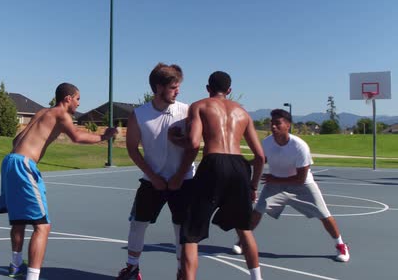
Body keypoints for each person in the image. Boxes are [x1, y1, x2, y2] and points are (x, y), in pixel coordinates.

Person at [0, 82, 118, 280]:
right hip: (23, 165)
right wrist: (105, 135)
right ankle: (32, 277)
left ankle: (15, 264)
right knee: (42, 226)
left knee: (19, 220)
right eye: (78, 99)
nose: (79, 104)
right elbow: (77, 136)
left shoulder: (42, 112)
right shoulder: (61, 114)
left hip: (9, 162)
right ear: (68, 98)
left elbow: (15, 140)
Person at [177, 71, 265, 280]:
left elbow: (193, 143)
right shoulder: (243, 113)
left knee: (191, 233)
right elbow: (260, 156)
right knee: (244, 229)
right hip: (239, 165)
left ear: (207, 88)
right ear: (230, 90)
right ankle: (257, 277)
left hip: (214, 163)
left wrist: (176, 144)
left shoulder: (199, 106)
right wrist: (253, 186)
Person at [232, 109, 350, 262]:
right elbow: (262, 159)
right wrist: (244, 165)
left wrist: (274, 179)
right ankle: (243, 241)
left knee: (324, 215)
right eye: (272, 124)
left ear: (288, 125)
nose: (273, 126)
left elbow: (300, 179)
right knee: (257, 212)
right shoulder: (267, 142)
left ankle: (341, 245)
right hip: (275, 184)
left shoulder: (300, 147)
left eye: (277, 123)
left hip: (302, 185)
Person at [115, 63, 196, 280]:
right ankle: (132, 268)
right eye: (173, 87)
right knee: (137, 224)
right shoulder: (139, 115)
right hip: (153, 181)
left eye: (178, 86)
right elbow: (132, 149)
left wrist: (179, 175)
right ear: (158, 88)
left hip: (184, 180)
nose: (178, 91)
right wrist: (153, 177)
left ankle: (182, 271)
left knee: (181, 229)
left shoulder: (187, 111)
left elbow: (196, 145)